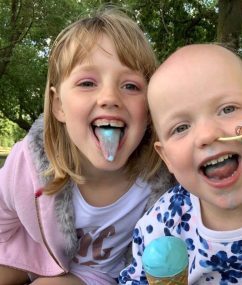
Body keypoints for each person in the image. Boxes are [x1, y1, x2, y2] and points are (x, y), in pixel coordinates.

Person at [0, 6, 172, 285]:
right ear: (59, 106)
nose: (109, 97)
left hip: (98, 274)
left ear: (150, 108)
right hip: (34, 254)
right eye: (88, 82)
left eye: (130, 86)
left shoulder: (160, 180)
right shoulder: (28, 164)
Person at [119, 44, 242, 284]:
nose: (207, 135)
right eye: (181, 127)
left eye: (228, 109)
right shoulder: (162, 225)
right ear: (166, 158)